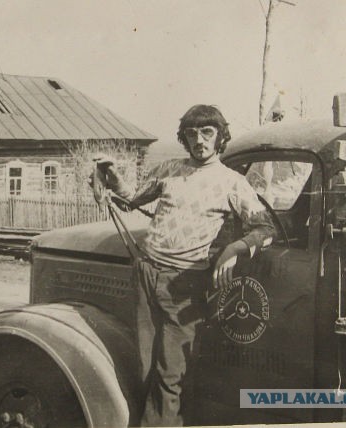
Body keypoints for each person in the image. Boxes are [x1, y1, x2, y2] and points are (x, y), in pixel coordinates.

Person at [93, 105, 276, 426]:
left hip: (186, 285)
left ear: (220, 137)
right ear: (184, 138)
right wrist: (114, 178)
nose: (199, 141)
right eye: (192, 134)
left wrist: (234, 248)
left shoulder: (232, 183)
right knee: (143, 365)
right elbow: (133, 198)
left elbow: (265, 230)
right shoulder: (169, 169)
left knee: (170, 373)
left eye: (207, 133)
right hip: (146, 275)